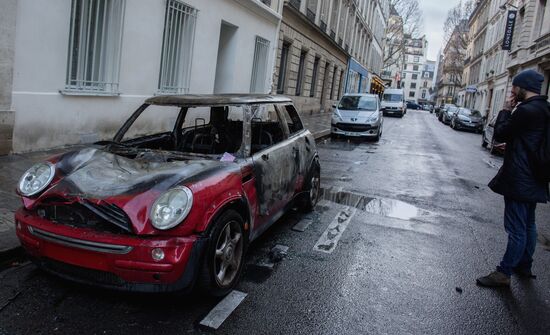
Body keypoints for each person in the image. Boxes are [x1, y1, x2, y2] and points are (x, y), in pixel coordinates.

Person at [477, 69, 549, 287]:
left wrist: (506, 109)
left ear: (523, 88)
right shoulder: (544, 109)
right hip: (536, 176)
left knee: (516, 228)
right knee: (529, 224)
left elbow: (500, 132)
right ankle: (524, 265)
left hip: (520, 177)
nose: (512, 90)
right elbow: (532, 139)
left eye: (515, 87)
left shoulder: (525, 110)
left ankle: (504, 272)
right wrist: (515, 144)